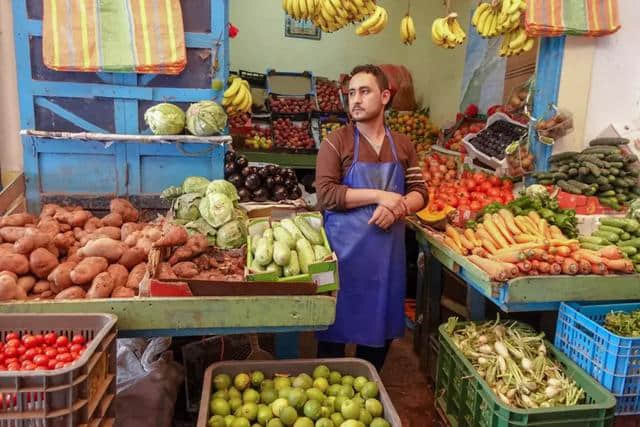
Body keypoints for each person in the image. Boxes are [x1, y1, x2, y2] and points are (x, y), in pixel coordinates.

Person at [314, 64, 428, 371]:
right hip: (342, 255)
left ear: (386, 96)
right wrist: (379, 196)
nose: (356, 100)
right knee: (332, 329)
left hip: (385, 259)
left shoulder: (403, 145)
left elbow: (420, 192)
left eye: (365, 91)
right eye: (351, 93)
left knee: (379, 331)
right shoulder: (336, 141)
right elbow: (326, 195)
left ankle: (366, 382)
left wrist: (398, 208)